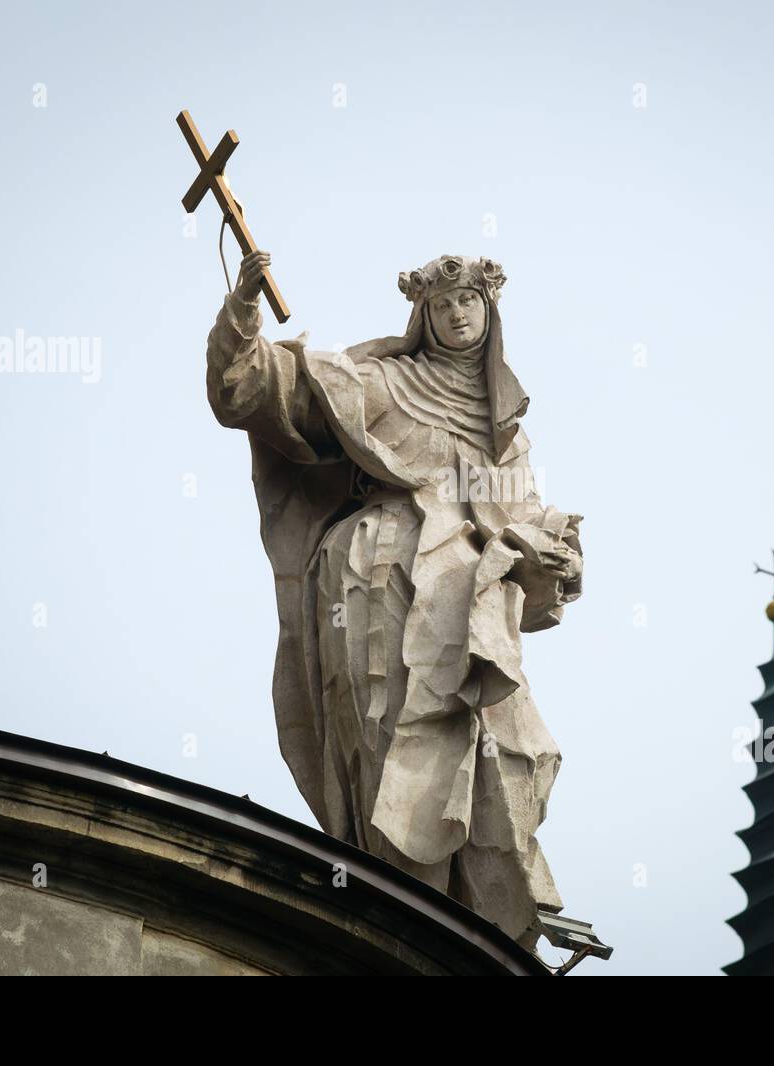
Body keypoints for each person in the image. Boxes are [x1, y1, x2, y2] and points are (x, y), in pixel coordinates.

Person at [205, 251, 583, 944]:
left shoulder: (506, 432)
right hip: (379, 574)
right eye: (444, 304)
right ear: (424, 316)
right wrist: (244, 312)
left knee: (507, 748)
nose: (459, 313)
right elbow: (258, 391)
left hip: (470, 601)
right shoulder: (383, 383)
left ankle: (477, 918)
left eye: (470, 300)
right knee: (385, 732)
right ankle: (400, 909)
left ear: (489, 311)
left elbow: (519, 521)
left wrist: (549, 548)